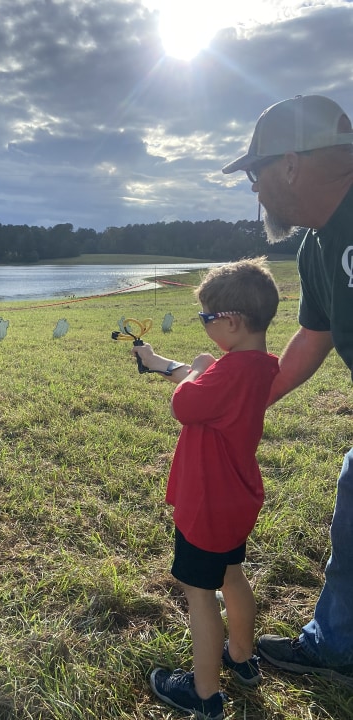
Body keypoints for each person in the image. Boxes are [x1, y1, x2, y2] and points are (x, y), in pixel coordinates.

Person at [222, 94, 353, 689]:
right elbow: (313, 336)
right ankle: (335, 645)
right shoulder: (315, 246)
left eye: (256, 171)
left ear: (292, 166)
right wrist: (246, 397)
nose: (254, 188)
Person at [133, 258, 280, 719]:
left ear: (231, 322)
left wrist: (197, 367)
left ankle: (204, 694)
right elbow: (204, 381)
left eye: (206, 318)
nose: (203, 325)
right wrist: (159, 362)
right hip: (235, 501)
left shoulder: (226, 371)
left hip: (205, 506)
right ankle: (242, 657)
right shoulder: (259, 366)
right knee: (232, 576)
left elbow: (186, 402)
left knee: (199, 593)